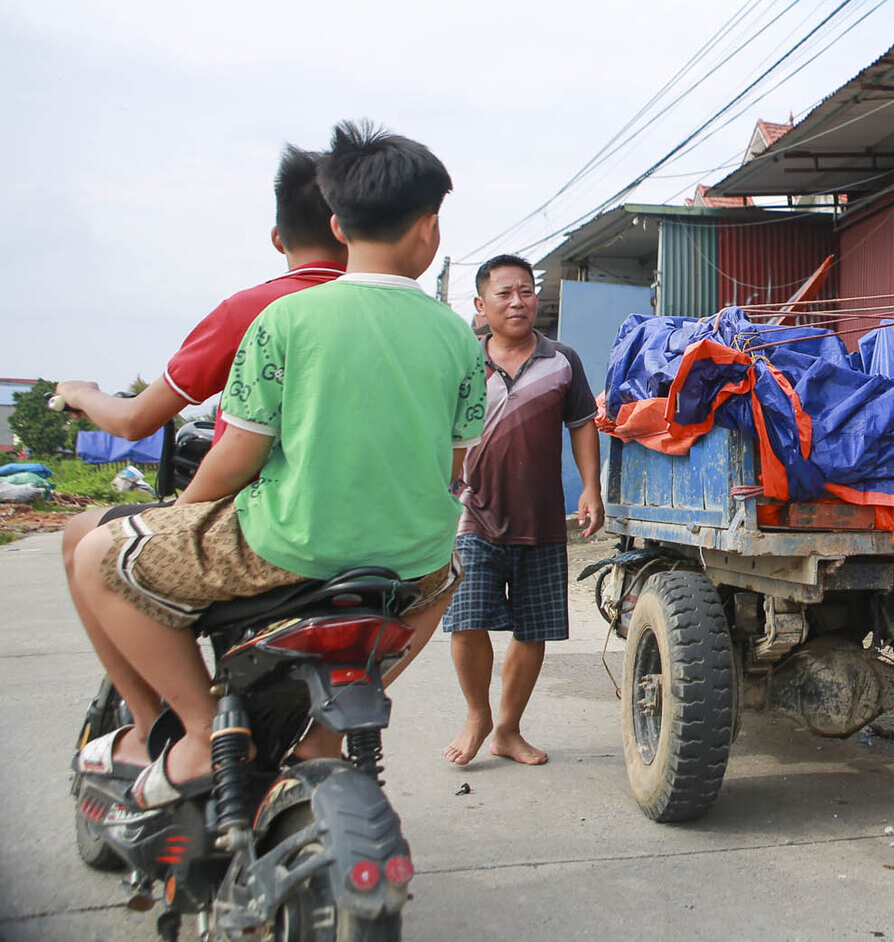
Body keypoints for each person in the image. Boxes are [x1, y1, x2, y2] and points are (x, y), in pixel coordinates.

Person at [68, 121, 486, 807]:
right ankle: (321, 736)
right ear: (430, 229)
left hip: (287, 546)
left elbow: (236, 456)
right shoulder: (458, 339)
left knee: (93, 557)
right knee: (447, 578)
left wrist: (182, 514)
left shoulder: (286, 319)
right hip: (412, 560)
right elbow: (451, 460)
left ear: (338, 224)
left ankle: (201, 736)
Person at [59, 146, 347, 765]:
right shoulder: (400, 314)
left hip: (261, 523)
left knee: (85, 541)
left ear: (279, 236)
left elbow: (139, 418)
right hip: (370, 527)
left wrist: (84, 395)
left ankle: (167, 727)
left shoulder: (255, 309)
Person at [443, 253, 604, 767]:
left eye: (526, 291)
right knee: (466, 622)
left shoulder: (562, 360)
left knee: (533, 629)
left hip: (541, 517)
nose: (518, 302)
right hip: (472, 514)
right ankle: (477, 715)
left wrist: (590, 488)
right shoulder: (462, 362)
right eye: (504, 293)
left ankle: (508, 730)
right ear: (479, 304)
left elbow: (583, 422)